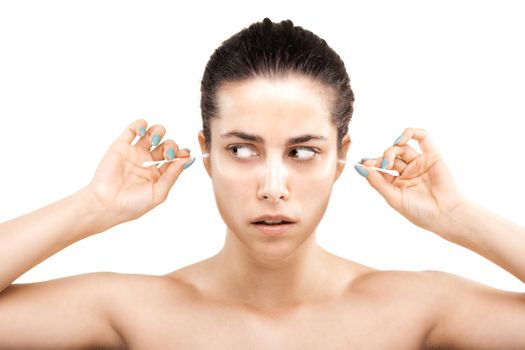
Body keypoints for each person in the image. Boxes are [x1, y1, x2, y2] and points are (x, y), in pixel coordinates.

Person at [0, 17, 524, 349]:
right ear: (205, 154)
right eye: (242, 150)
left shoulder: (419, 309)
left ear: (341, 158)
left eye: (302, 152)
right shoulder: (132, 311)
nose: (273, 186)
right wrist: (93, 206)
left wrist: (459, 217)